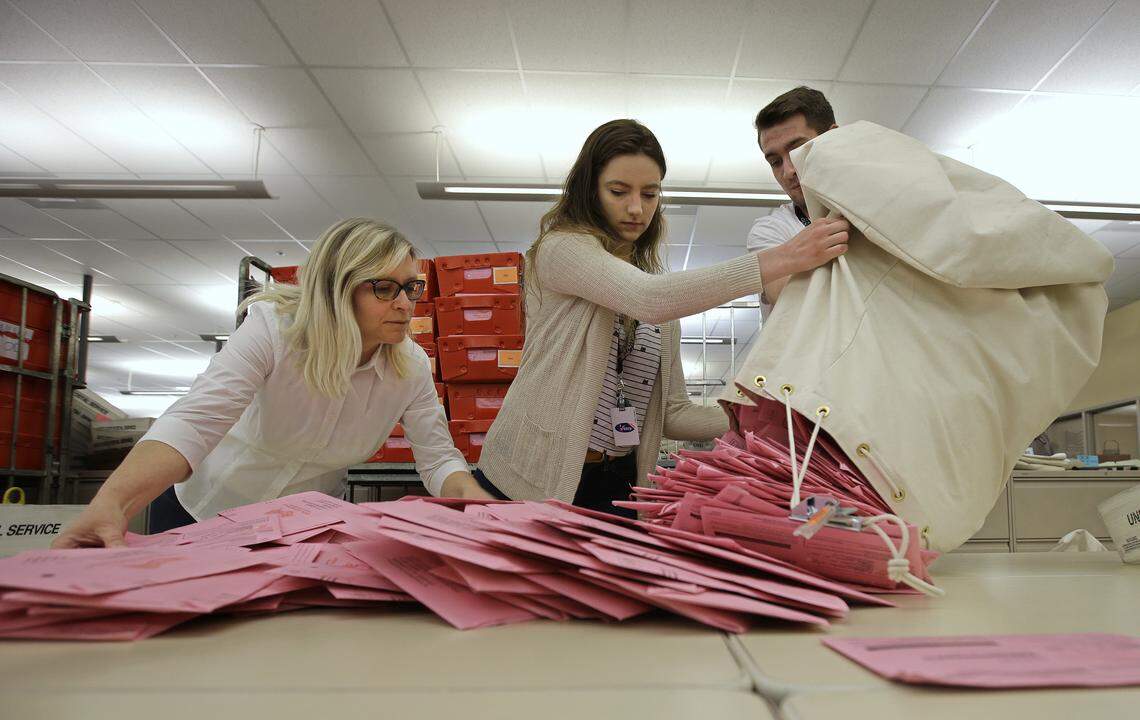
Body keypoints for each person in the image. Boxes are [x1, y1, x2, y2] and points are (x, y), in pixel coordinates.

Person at [473, 119, 849, 517]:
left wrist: (755, 418)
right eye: (618, 191)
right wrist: (784, 258)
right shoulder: (561, 249)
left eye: (650, 194)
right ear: (589, 190)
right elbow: (648, 298)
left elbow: (673, 413)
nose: (637, 208)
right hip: (528, 476)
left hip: (615, 483)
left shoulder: (659, 307)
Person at [54, 218, 489, 548]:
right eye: (383, 288)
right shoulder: (274, 331)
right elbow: (194, 422)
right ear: (337, 289)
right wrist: (112, 503)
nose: (404, 304)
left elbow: (437, 459)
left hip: (302, 529)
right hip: (204, 512)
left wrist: (474, 503)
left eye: (411, 288)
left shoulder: (408, 365)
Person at [746, 86, 847, 316]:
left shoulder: (873, 207)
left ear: (833, 139)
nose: (788, 170)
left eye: (798, 149)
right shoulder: (770, 231)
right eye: (775, 161)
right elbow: (790, 302)